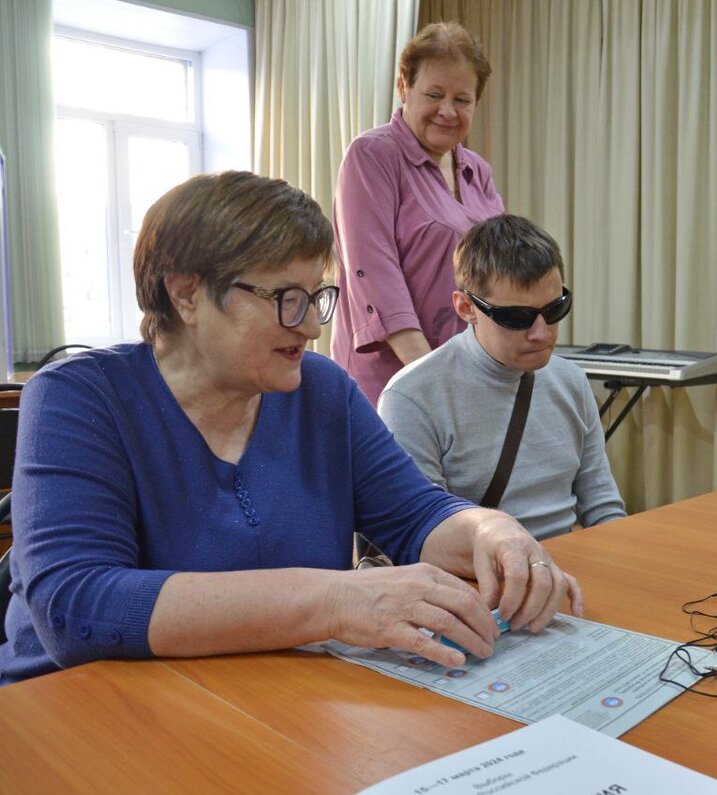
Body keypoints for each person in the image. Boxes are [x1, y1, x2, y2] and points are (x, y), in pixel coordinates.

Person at [0, 172, 581, 685]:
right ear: (187, 295)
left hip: (263, 699)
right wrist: (335, 601)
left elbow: (415, 516)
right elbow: (76, 606)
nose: (310, 327)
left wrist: (489, 529)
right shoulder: (78, 397)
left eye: (315, 298)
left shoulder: (322, 390)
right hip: (78, 709)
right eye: (286, 298)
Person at [378, 214, 626, 540]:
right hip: (471, 567)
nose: (541, 333)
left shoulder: (571, 382)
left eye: (555, 310)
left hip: (566, 564)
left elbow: (603, 508)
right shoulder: (412, 398)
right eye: (517, 317)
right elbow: (423, 532)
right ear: (466, 308)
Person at [332, 21, 505, 404]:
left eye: (462, 100)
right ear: (403, 87)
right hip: (393, 381)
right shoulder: (372, 155)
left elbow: (499, 271)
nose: (447, 111)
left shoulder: (477, 171)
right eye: (434, 94)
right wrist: (430, 378)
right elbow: (374, 273)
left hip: (464, 377)